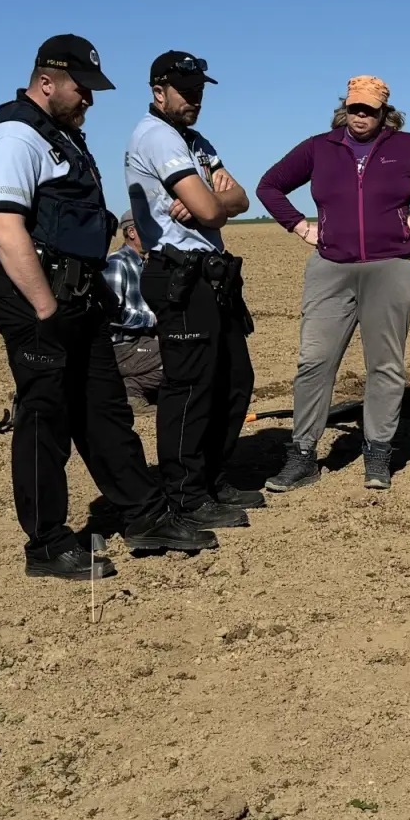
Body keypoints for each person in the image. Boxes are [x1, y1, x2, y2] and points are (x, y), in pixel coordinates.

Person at [0, 35, 217, 578]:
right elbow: (6, 227)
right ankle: (47, 543)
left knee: (104, 408)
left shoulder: (62, 136)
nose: (90, 99)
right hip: (36, 297)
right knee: (46, 417)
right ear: (47, 82)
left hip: (76, 296)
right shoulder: (16, 136)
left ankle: (145, 515)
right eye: (82, 88)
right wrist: (44, 308)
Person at [256, 76, 410, 491]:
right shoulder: (319, 148)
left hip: (390, 267)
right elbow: (269, 185)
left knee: (385, 365)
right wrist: (300, 227)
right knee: (314, 362)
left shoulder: (408, 148)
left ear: (384, 112)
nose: (361, 116)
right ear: (345, 107)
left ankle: (377, 452)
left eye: (370, 110)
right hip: (330, 269)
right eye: (355, 107)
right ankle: (302, 455)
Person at [125, 51, 260, 530]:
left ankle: (214, 478)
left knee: (233, 378)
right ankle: (186, 492)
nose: (196, 99)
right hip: (178, 271)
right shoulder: (157, 136)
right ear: (159, 91)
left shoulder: (195, 140)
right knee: (190, 387)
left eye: (200, 90)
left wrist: (215, 200)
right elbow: (208, 209)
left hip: (213, 272)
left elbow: (240, 198)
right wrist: (212, 200)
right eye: (186, 90)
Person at [102, 209, 163, 406]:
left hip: (143, 343)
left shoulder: (145, 264)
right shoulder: (117, 263)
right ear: (131, 232)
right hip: (123, 346)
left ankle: (133, 387)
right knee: (177, 354)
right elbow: (112, 314)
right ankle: (131, 389)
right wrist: (151, 319)